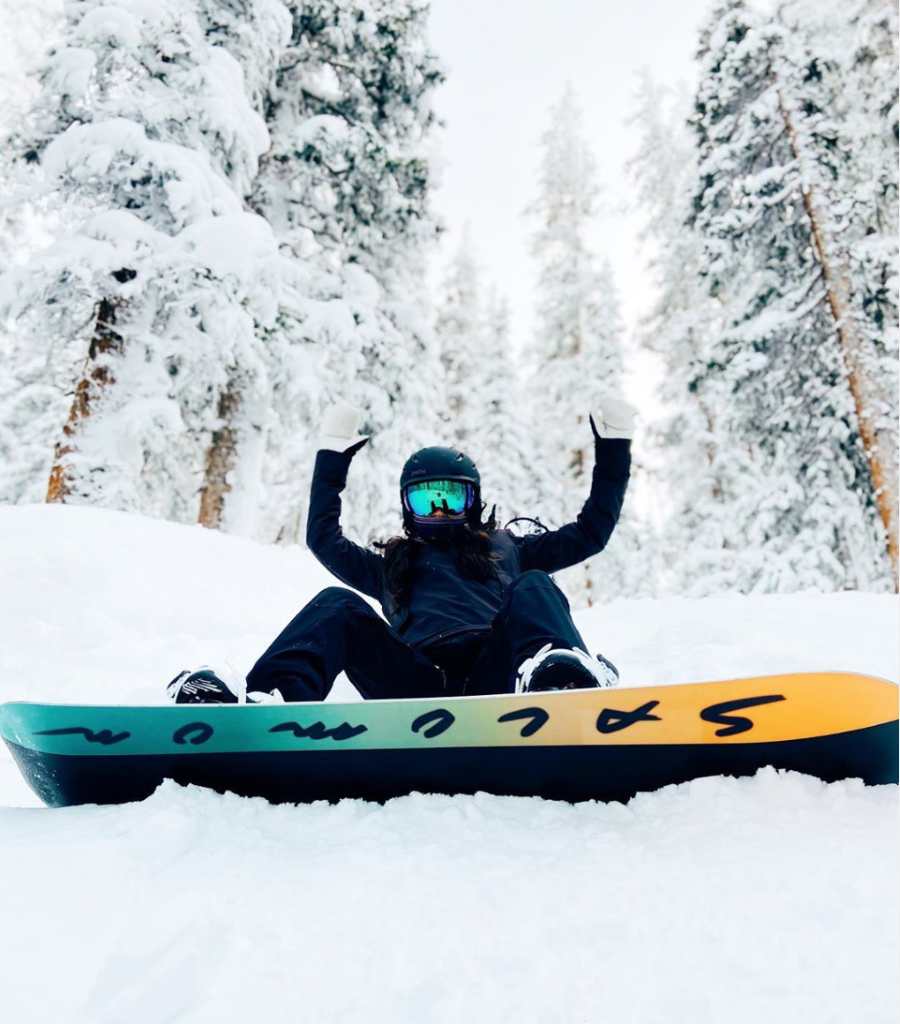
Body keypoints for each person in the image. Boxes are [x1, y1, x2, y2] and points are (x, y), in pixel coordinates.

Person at [167, 398, 633, 704]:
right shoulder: (390, 566)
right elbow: (323, 538)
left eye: (450, 497)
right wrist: (332, 456)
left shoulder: (508, 549)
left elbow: (590, 532)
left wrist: (613, 450)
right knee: (337, 603)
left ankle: (559, 684)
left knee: (535, 585)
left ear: (472, 502)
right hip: (414, 683)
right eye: (425, 497)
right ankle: (271, 701)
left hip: (496, 675)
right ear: (406, 506)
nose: (438, 508)